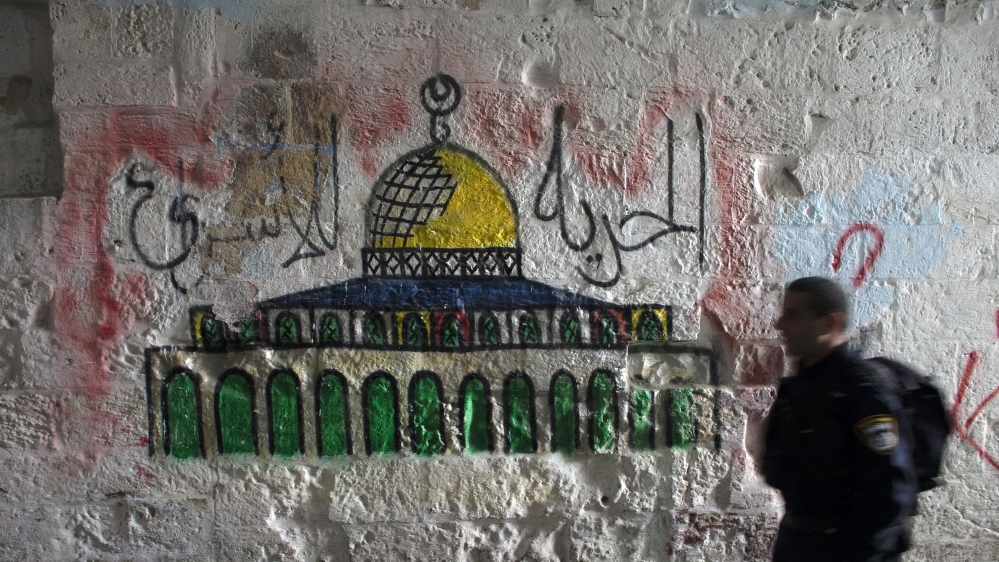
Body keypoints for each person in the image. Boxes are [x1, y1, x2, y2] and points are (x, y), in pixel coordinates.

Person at [762, 277, 917, 562]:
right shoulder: (800, 387)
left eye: (793, 316)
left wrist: (861, 553)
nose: (780, 325)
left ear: (830, 323)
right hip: (799, 543)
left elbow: (889, 493)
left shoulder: (861, 390)